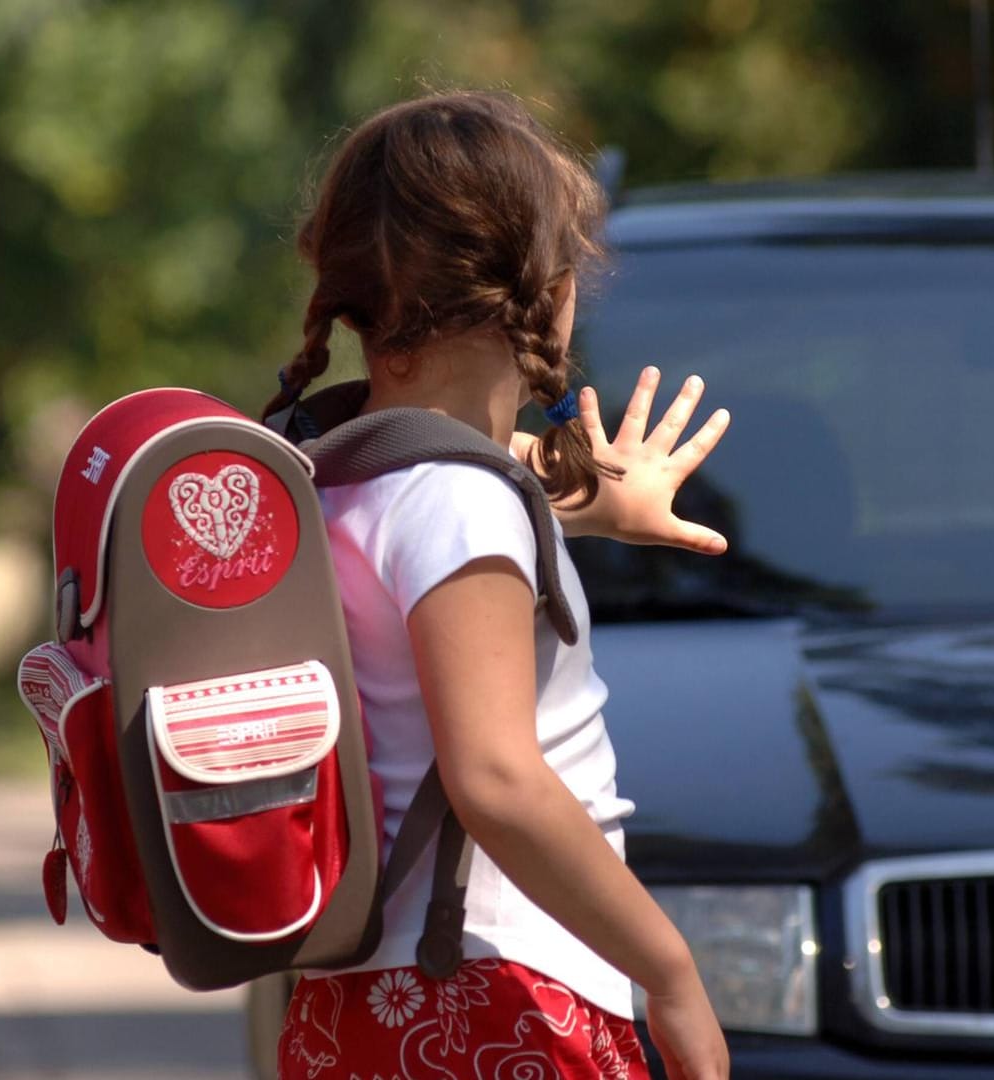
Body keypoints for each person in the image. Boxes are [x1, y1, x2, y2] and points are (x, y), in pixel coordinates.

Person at [262, 91, 733, 1080]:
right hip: (492, 994)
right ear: (543, 287)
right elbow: (495, 779)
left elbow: (441, 522)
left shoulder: (331, 471)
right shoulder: (459, 508)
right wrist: (672, 973)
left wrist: (583, 503)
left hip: (364, 1005)